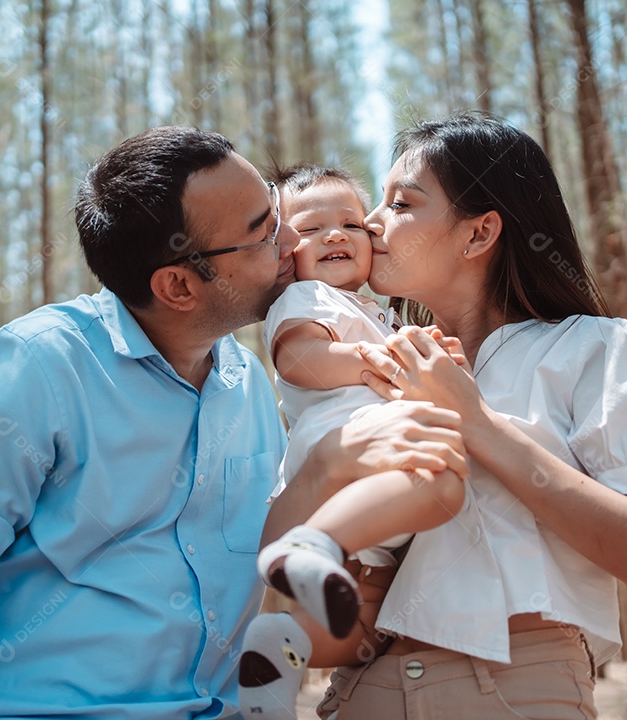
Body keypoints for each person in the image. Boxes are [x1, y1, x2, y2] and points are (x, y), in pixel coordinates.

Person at [0, 126, 469, 720]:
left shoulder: (250, 384)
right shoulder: (40, 364)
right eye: (264, 231)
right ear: (178, 285)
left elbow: (285, 547)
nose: (292, 241)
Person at [263, 113, 627, 719]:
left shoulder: (605, 349)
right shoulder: (370, 365)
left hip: (515, 687)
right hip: (359, 691)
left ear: (479, 232)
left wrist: (477, 422)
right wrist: (327, 467)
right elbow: (276, 556)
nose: (370, 222)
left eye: (400, 203)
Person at [236, 165, 468, 719]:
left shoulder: (378, 314)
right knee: (442, 483)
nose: (335, 235)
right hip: (346, 441)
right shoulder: (307, 297)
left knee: (369, 622)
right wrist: (377, 358)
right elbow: (298, 359)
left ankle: (281, 650)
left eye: (350, 224)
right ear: (284, 253)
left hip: (371, 477)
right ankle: (312, 545)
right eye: (311, 229)